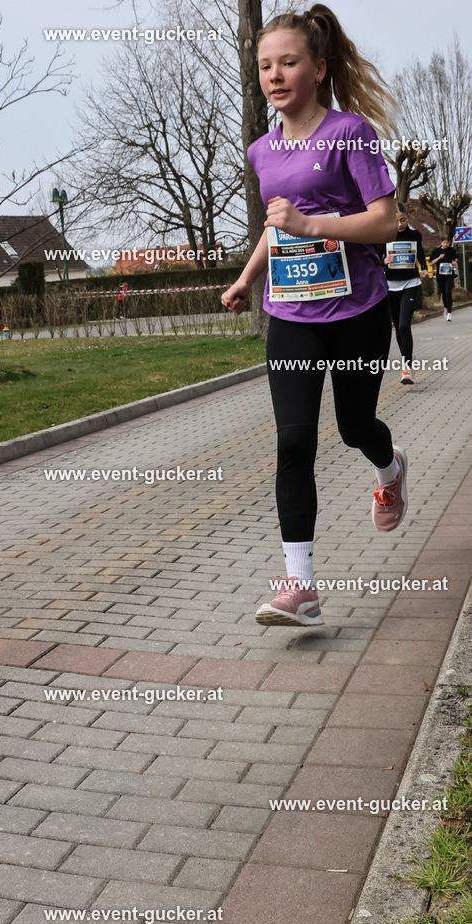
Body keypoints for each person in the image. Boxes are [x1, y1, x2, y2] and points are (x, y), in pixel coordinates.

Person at [222, 4, 405, 627]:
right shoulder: (260, 151)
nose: (275, 75)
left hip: (358, 310)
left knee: (355, 428)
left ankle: (390, 467)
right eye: (265, 65)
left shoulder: (350, 134)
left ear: (319, 68)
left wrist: (312, 224)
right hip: (292, 315)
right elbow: (279, 228)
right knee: (294, 440)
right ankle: (300, 586)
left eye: (289, 63)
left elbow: (386, 220)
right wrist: (247, 279)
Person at [376, 201, 429, 384]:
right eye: (396, 220)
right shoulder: (385, 236)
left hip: (410, 283)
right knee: (398, 327)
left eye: (403, 220)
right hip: (390, 285)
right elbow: (375, 257)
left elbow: (420, 254)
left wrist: (424, 268)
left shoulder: (415, 235)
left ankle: (407, 369)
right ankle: (406, 356)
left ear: (408, 217)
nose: (399, 224)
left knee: (405, 326)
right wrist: (385, 260)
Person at [429, 237, 458, 322]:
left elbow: (455, 258)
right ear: (441, 243)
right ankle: (445, 307)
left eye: (447, 242)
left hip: (449, 274)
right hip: (440, 275)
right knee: (444, 293)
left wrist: (454, 261)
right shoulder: (436, 251)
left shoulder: (451, 250)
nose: (445, 244)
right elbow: (431, 263)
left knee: (448, 292)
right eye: (444, 242)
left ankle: (449, 313)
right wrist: (439, 258)